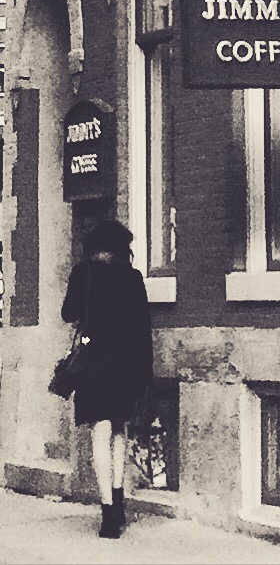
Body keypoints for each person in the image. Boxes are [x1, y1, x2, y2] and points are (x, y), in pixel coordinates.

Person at [61, 220, 153, 539]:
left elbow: (68, 313)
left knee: (99, 434)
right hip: (126, 365)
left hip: (94, 363)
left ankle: (108, 514)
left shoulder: (83, 273)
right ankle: (119, 497)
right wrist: (145, 373)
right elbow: (143, 328)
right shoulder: (132, 277)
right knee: (119, 431)